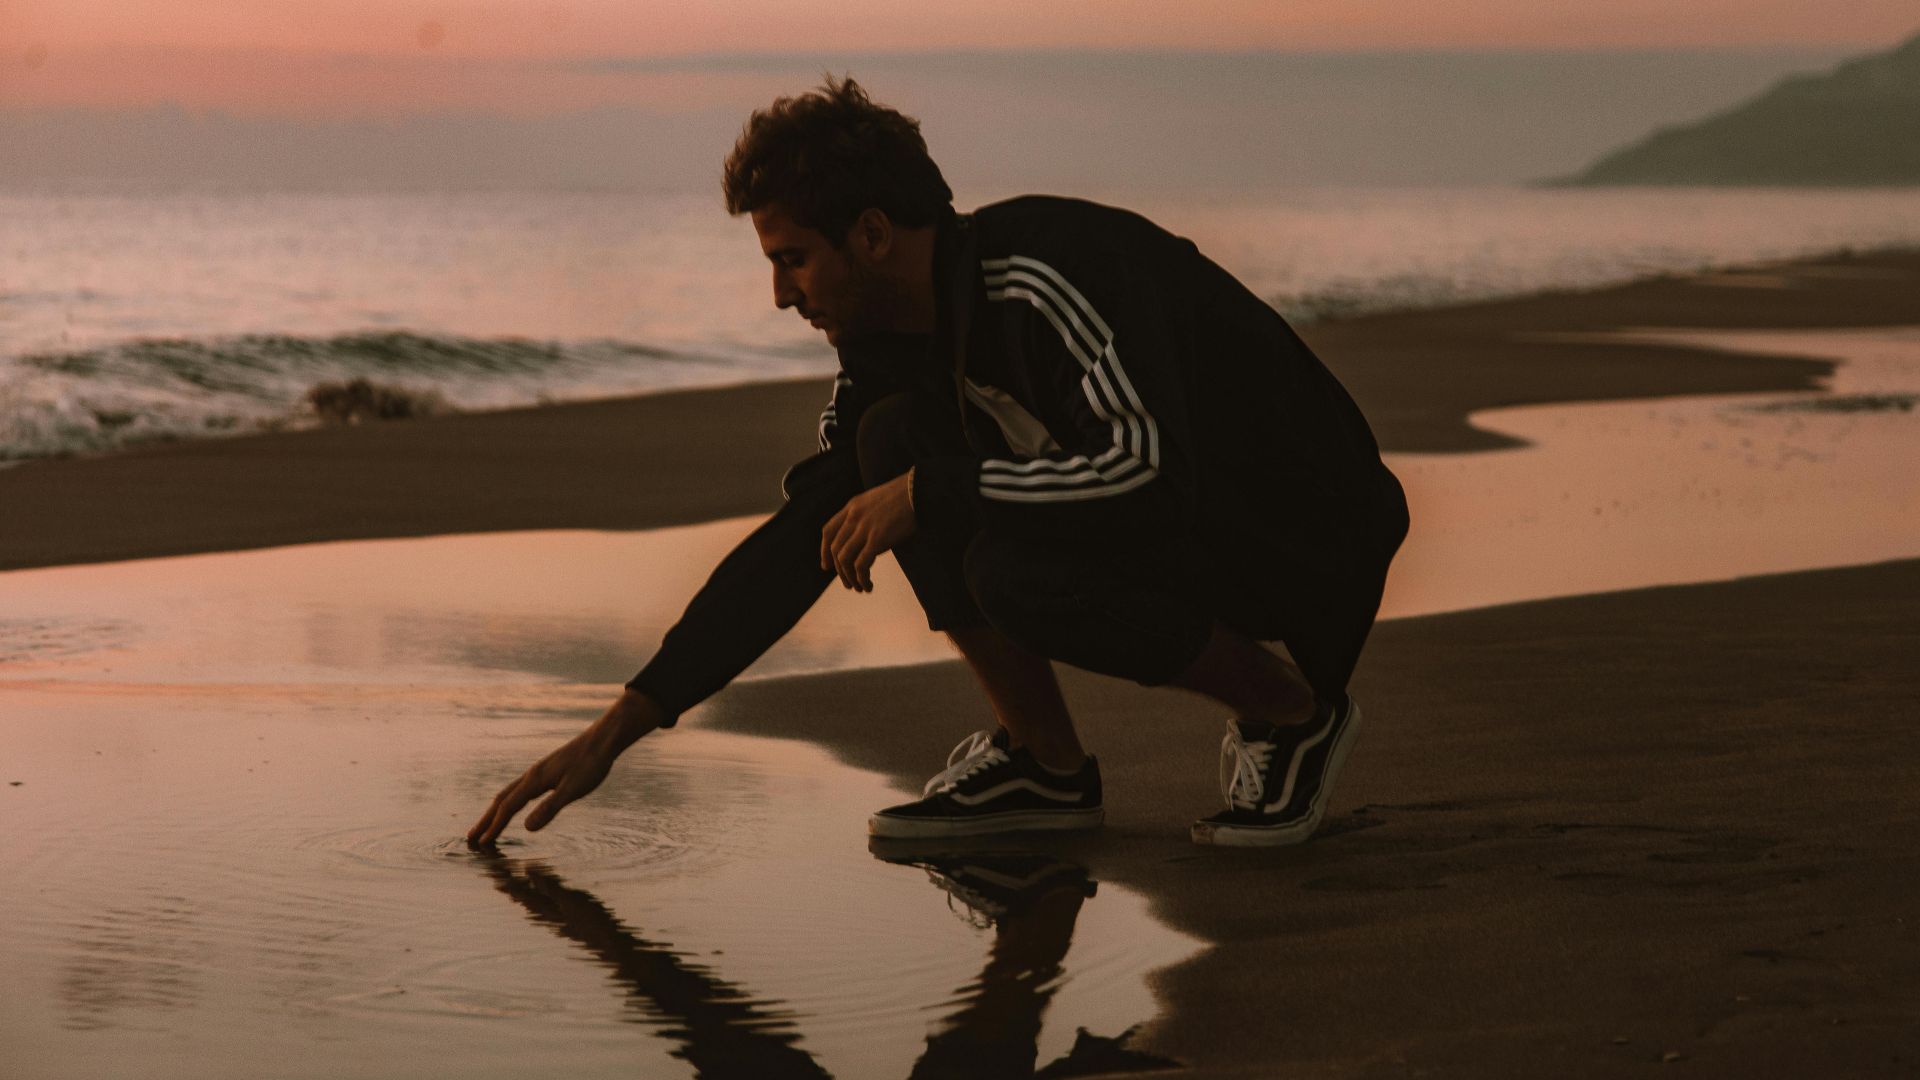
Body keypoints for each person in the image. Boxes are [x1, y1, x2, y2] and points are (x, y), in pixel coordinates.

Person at [467, 76, 1407, 850]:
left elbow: (1149, 478)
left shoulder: (1048, 275)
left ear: (871, 236)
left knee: (989, 550)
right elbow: (809, 537)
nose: (778, 295)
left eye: (792, 259)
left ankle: (1294, 715)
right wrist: (624, 724)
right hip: (1191, 519)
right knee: (888, 455)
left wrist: (935, 491)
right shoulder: (889, 350)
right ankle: (1047, 768)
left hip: (1302, 530)